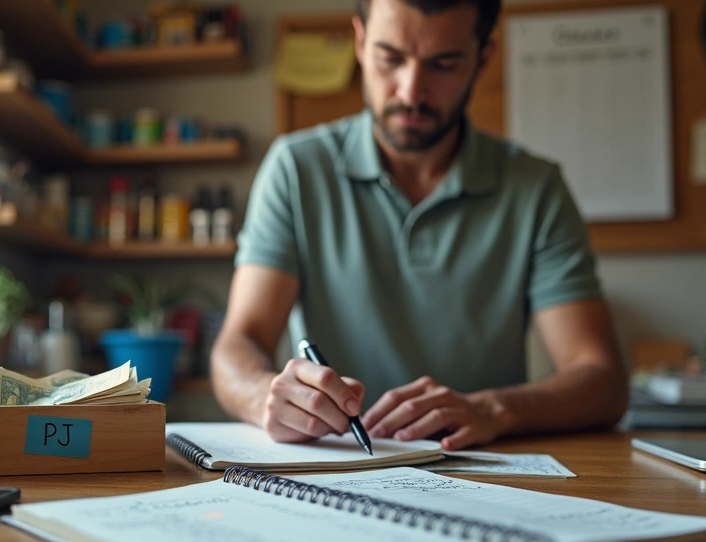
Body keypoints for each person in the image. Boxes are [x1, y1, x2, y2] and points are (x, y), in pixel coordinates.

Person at [210, 0, 628, 451]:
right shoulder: (296, 169)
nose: (410, 92)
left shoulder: (535, 188)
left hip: (484, 472)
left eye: (443, 64)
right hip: (336, 467)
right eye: (390, 58)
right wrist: (263, 397)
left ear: (482, 59)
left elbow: (600, 380)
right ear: (360, 42)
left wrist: (491, 409)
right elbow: (239, 344)